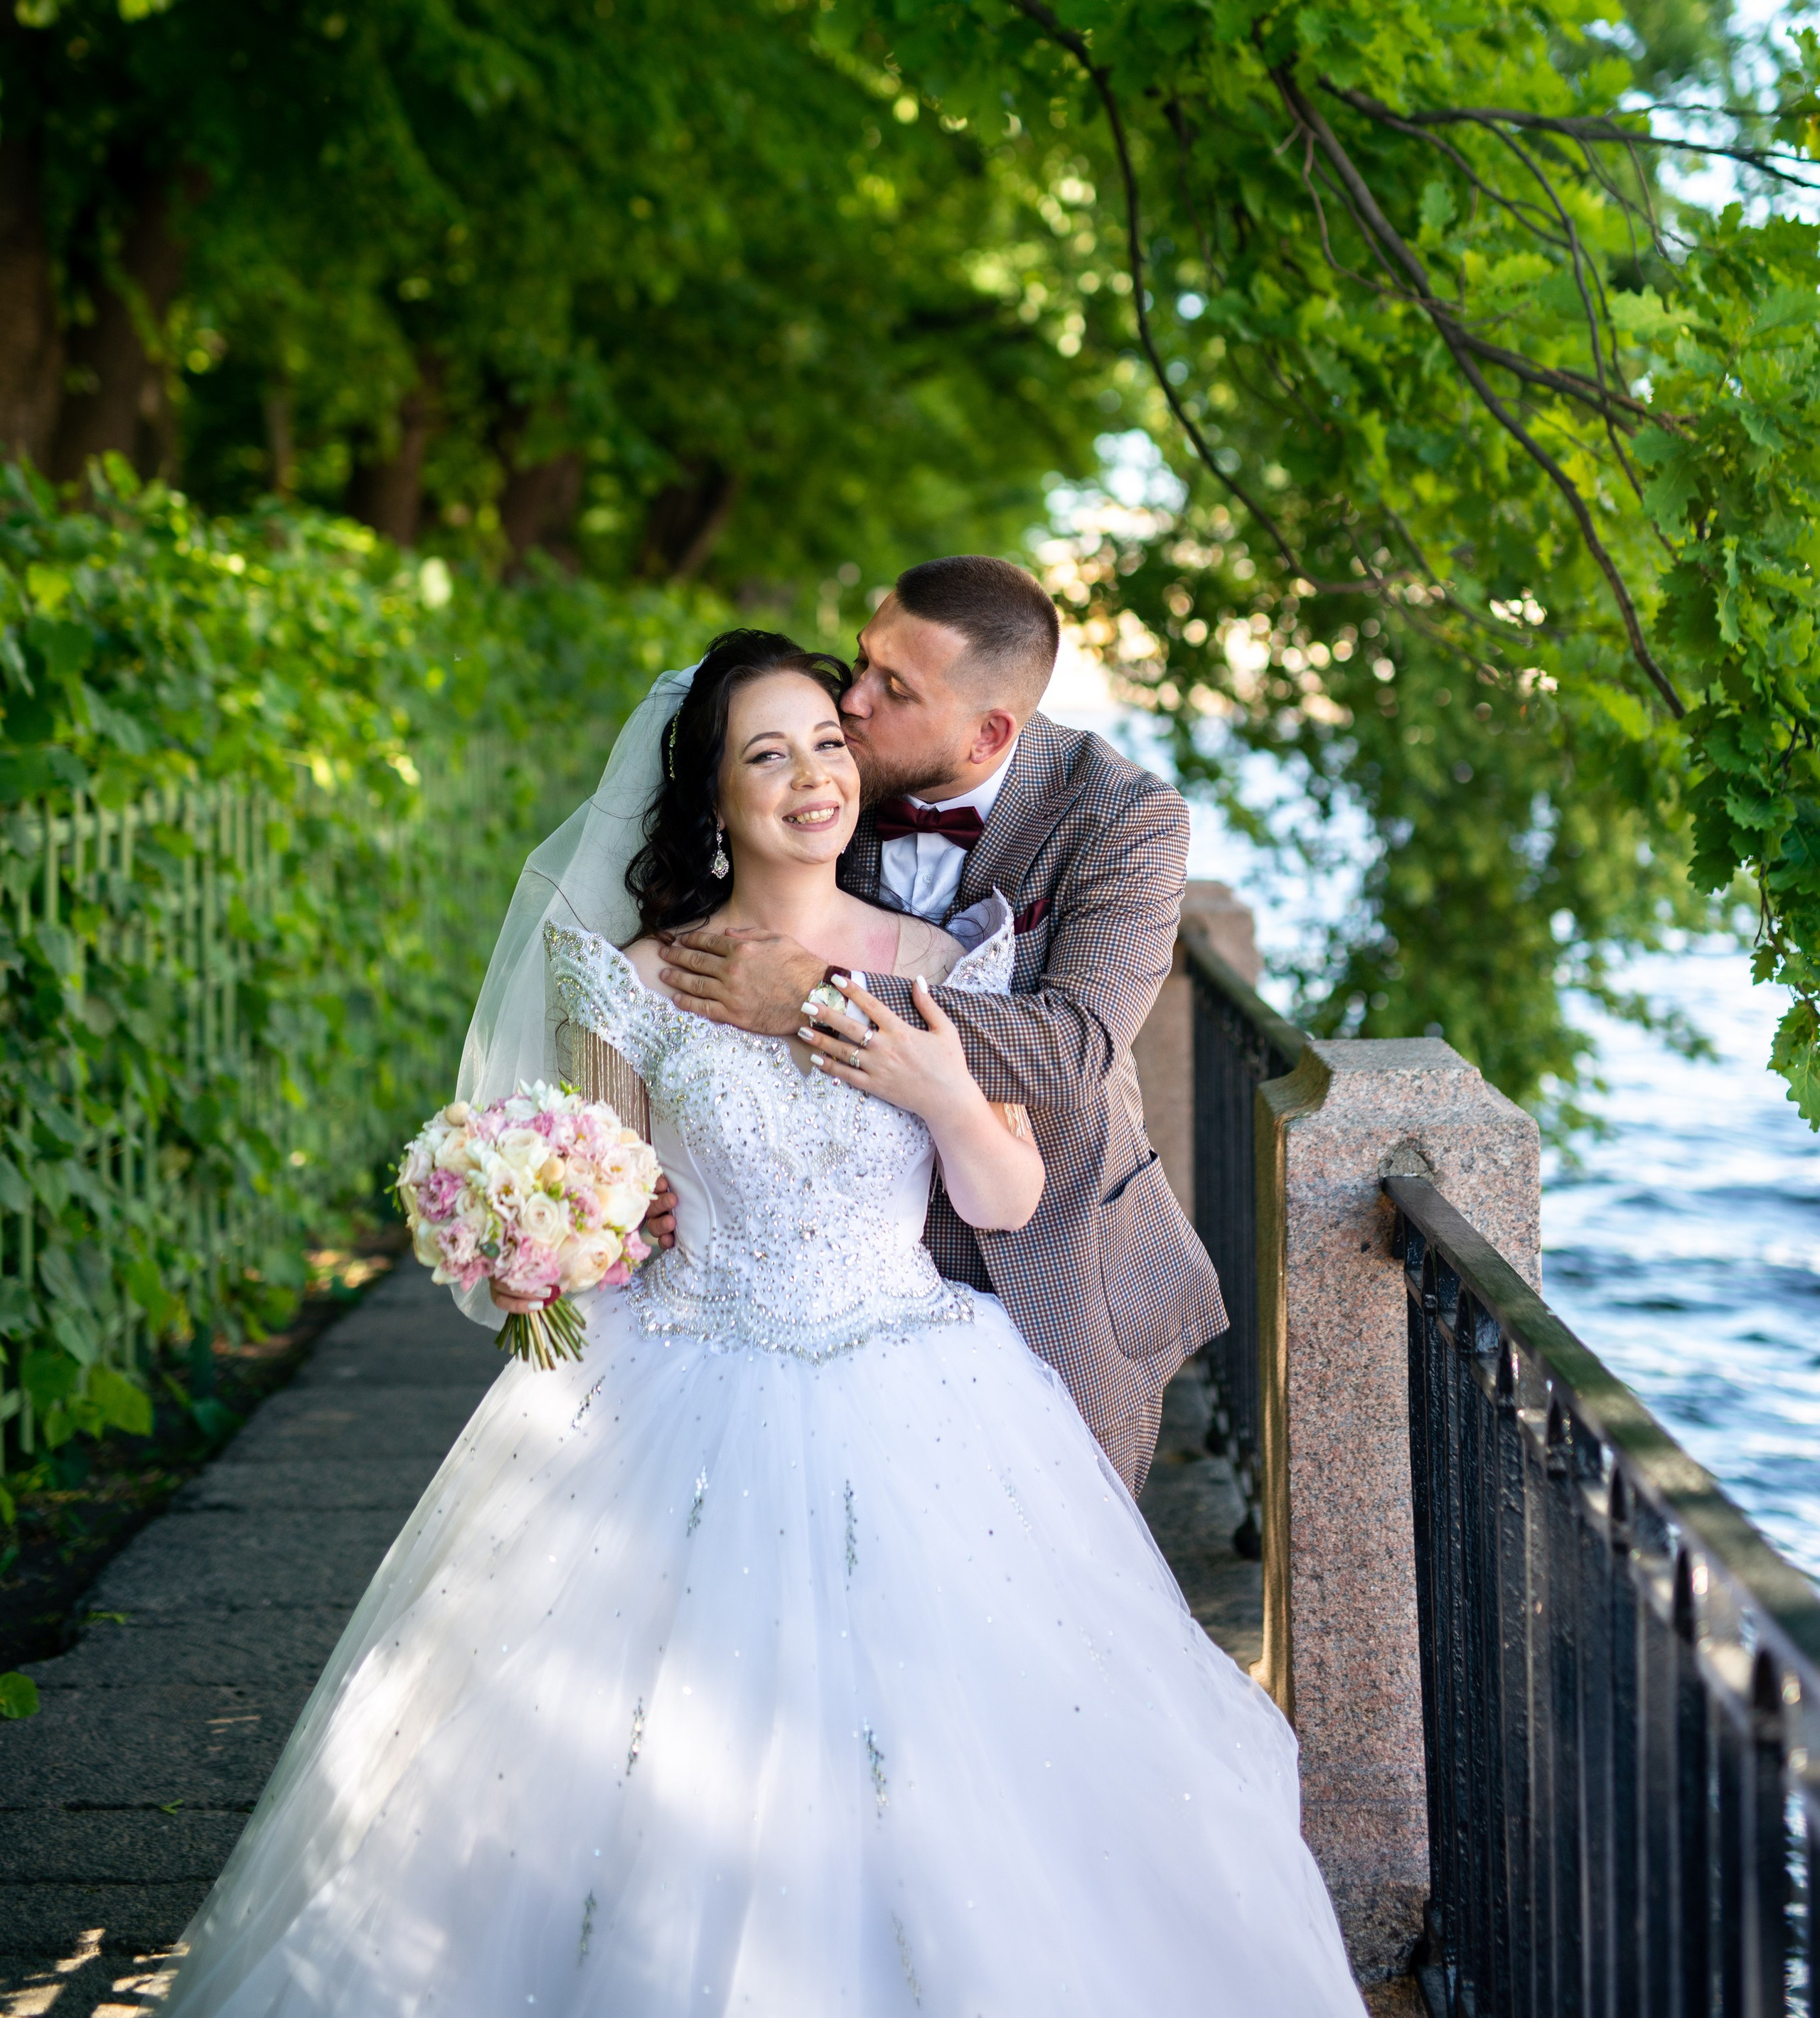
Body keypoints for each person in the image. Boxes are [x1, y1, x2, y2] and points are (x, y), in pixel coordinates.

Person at [160, 630, 1366, 2018]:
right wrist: (559, 1228)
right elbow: (602, 1191)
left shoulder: (943, 956)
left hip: (917, 1379)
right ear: (712, 795)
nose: (812, 777)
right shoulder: (637, 975)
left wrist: (942, 1089)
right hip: (685, 1376)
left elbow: (1006, 1189)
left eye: (829, 742)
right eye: (767, 753)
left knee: (948, 1736)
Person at [658, 556, 1225, 1490]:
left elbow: (1072, 1050)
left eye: (895, 688)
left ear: (987, 732)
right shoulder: (825, 778)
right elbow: (706, 969)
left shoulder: (1122, 819)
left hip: (1057, 1262)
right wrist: (660, 1177)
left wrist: (819, 995)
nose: (851, 704)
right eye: (862, 660)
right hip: (823, 1289)